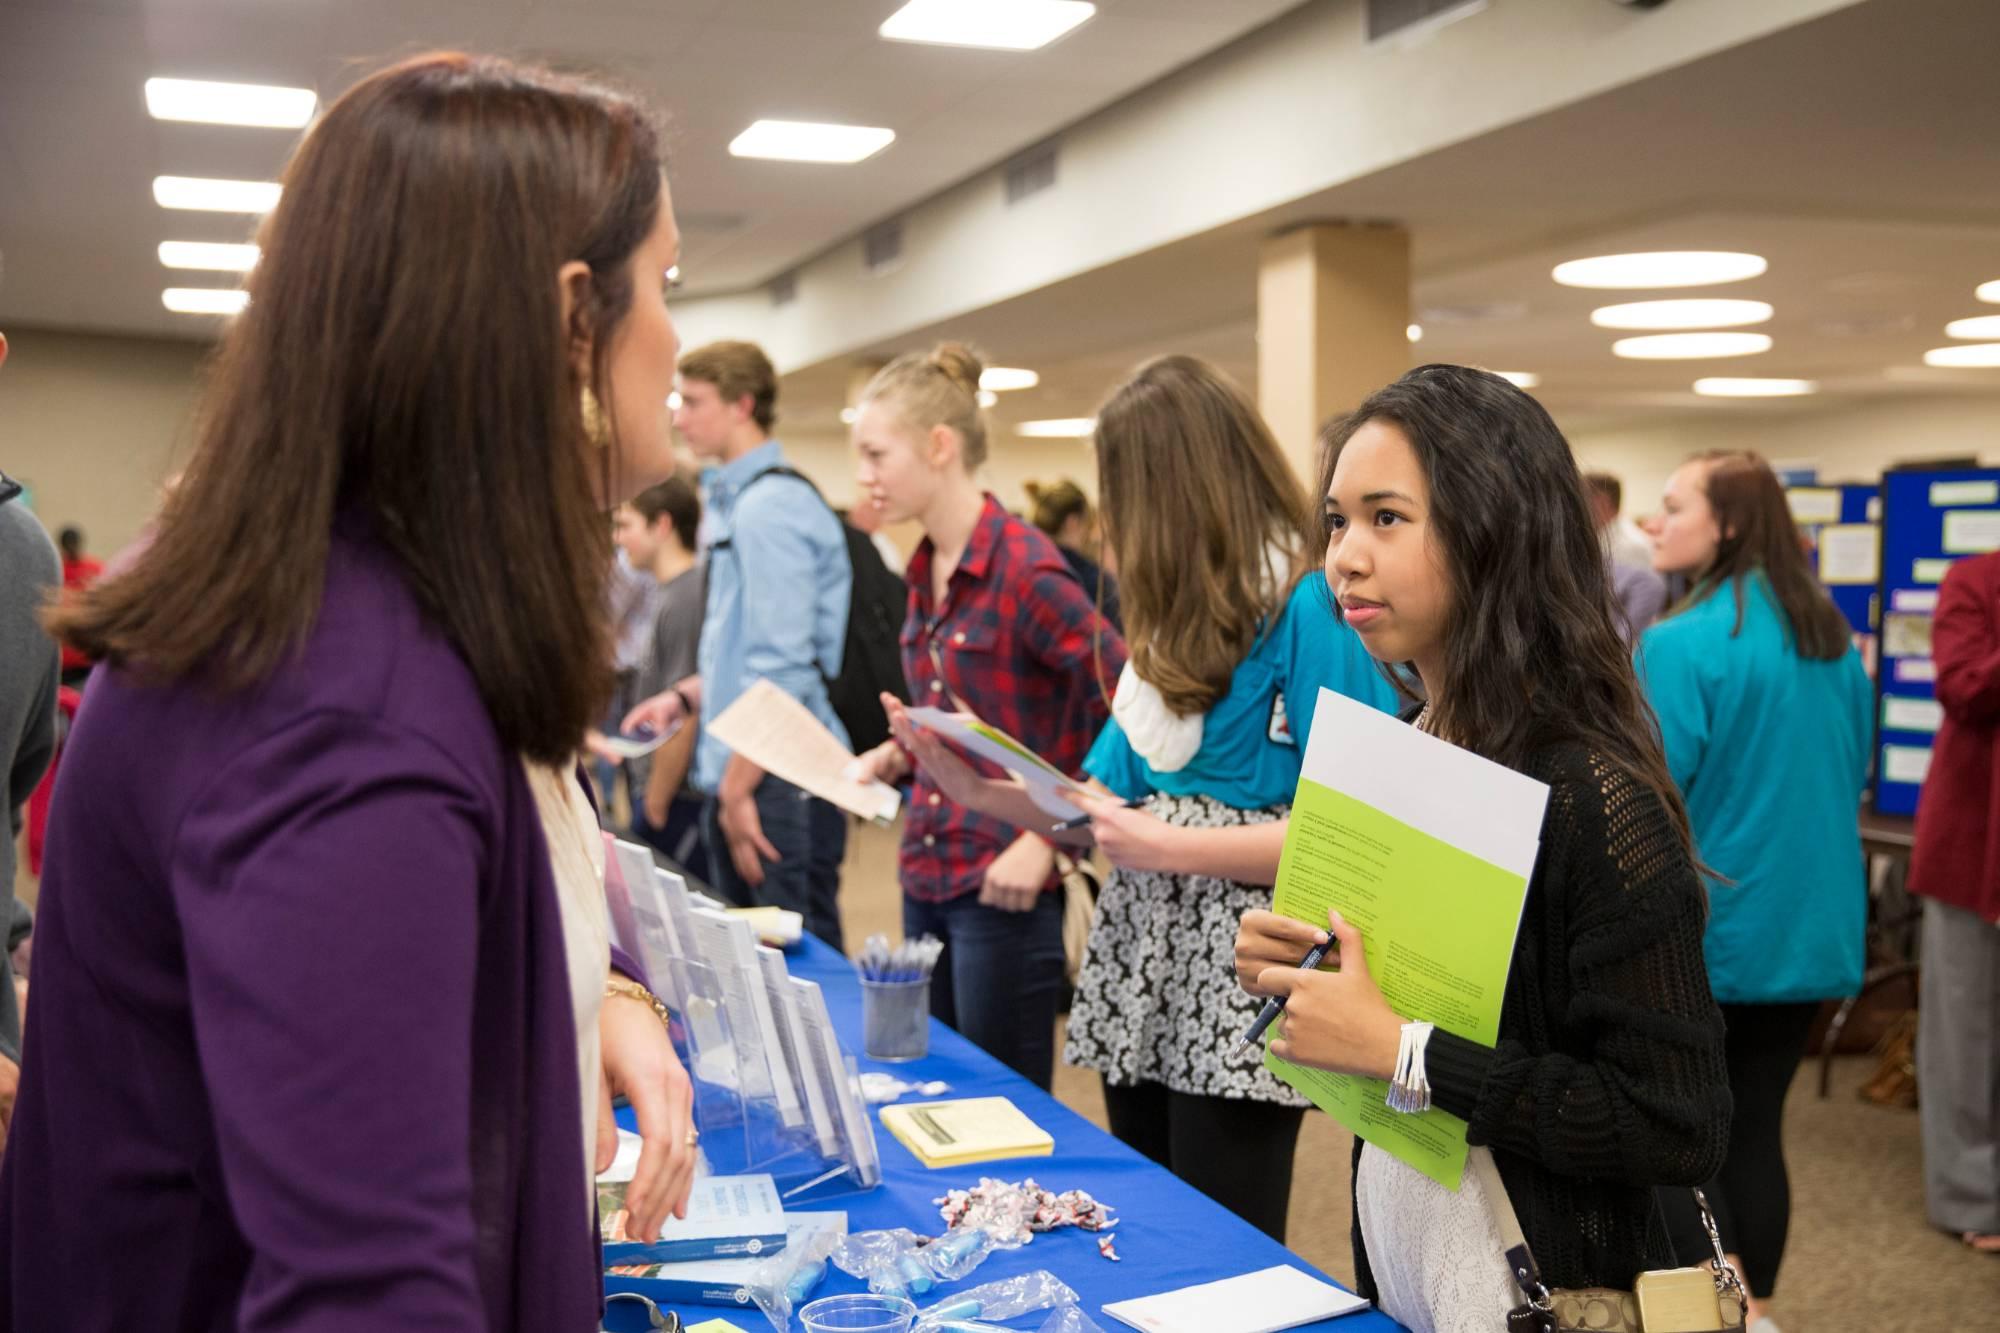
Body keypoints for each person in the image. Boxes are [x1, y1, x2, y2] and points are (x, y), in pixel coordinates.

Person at [1, 54, 699, 1329]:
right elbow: (366, 1295)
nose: (675, 337)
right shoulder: (340, 698)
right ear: (565, 318)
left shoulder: (359, 598)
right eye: (665, 284)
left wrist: (612, 998)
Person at [1233, 365, 1730, 1330]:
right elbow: (1429, 1019)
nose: (1343, 558)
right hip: (1420, 1255)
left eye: (1387, 518)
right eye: (1336, 521)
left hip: (1539, 1284)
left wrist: (1405, 1050)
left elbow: (1678, 1122)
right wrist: (1314, 976)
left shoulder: (1593, 795)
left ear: (1495, 529)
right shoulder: (1412, 744)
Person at [1636, 449, 1872, 1328]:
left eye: (1672, 504)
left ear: (1728, 524)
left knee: (1687, 1136)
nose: (1655, 522)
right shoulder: (1832, 640)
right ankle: (1757, 1308)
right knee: (1757, 1128)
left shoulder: (1680, 643)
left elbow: (1651, 797)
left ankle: (1727, 1313)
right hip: (1813, 933)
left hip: (1716, 933)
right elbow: (1859, 766)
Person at [847, 344, 1122, 1089]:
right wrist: (897, 752)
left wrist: (1058, 838)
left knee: (1002, 1112)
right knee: (931, 1092)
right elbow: (975, 716)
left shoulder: (1025, 567)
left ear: (940, 447)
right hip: (928, 868)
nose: (862, 474)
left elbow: (1128, 706)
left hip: (1003, 885)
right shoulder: (924, 568)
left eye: (876, 452)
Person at [625, 341, 852, 949]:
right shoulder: (740, 502)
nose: (679, 417)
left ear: (742, 405)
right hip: (751, 771)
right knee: (756, 972)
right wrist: (685, 695)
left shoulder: (770, 508)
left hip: (774, 778)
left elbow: (784, 669)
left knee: (805, 978)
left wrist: (735, 788)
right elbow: (742, 650)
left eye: (694, 402)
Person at [1905, 549, 2000, 1255]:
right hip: (1976, 846)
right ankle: (1974, 1197)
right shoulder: (1974, 580)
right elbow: (1964, 686)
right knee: (1965, 1031)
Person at [612, 475, 708, 881]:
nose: (619, 539)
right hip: (660, 792)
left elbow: (685, 712)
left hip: (676, 799)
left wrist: (656, 800)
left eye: (626, 525)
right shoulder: (666, 591)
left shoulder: (686, 596)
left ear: (662, 526)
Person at [1025, 478, 1121, 631]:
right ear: (1072, 522)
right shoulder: (1093, 581)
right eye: (1088, 522)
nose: (1091, 535)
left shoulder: (1024, 566)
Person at [1585, 472, 1666, 644]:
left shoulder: (1629, 545)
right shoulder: (1603, 538)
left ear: (1601, 502)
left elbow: (1638, 609)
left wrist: (1614, 649)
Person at [54, 525, 102, 688]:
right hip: (63, 660)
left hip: (87, 658)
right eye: (69, 546)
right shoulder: (56, 569)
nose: (72, 549)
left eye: (74, 544)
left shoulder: (95, 569)